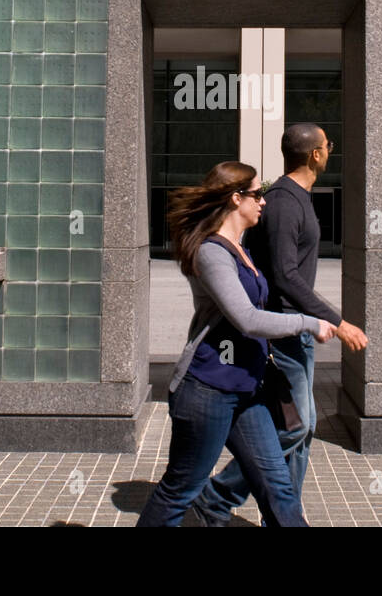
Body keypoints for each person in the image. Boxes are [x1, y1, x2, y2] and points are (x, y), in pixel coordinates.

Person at [136, 161, 336, 527]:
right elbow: (247, 318)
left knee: (277, 485)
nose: (263, 202)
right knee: (181, 487)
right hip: (207, 390)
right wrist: (309, 324)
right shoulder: (212, 253)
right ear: (235, 198)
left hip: (247, 389)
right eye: (257, 194)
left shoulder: (240, 247)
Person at [191, 123, 369, 527]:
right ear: (315, 155)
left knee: (299, 433)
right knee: (295, 427)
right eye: (328, 145)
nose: (330, 150)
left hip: (298, 330)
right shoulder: (286, 203)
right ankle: (214, 497)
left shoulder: (296, 199)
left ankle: (286, 516)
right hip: (286, 330)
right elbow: (287, 277)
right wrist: (336, 322)